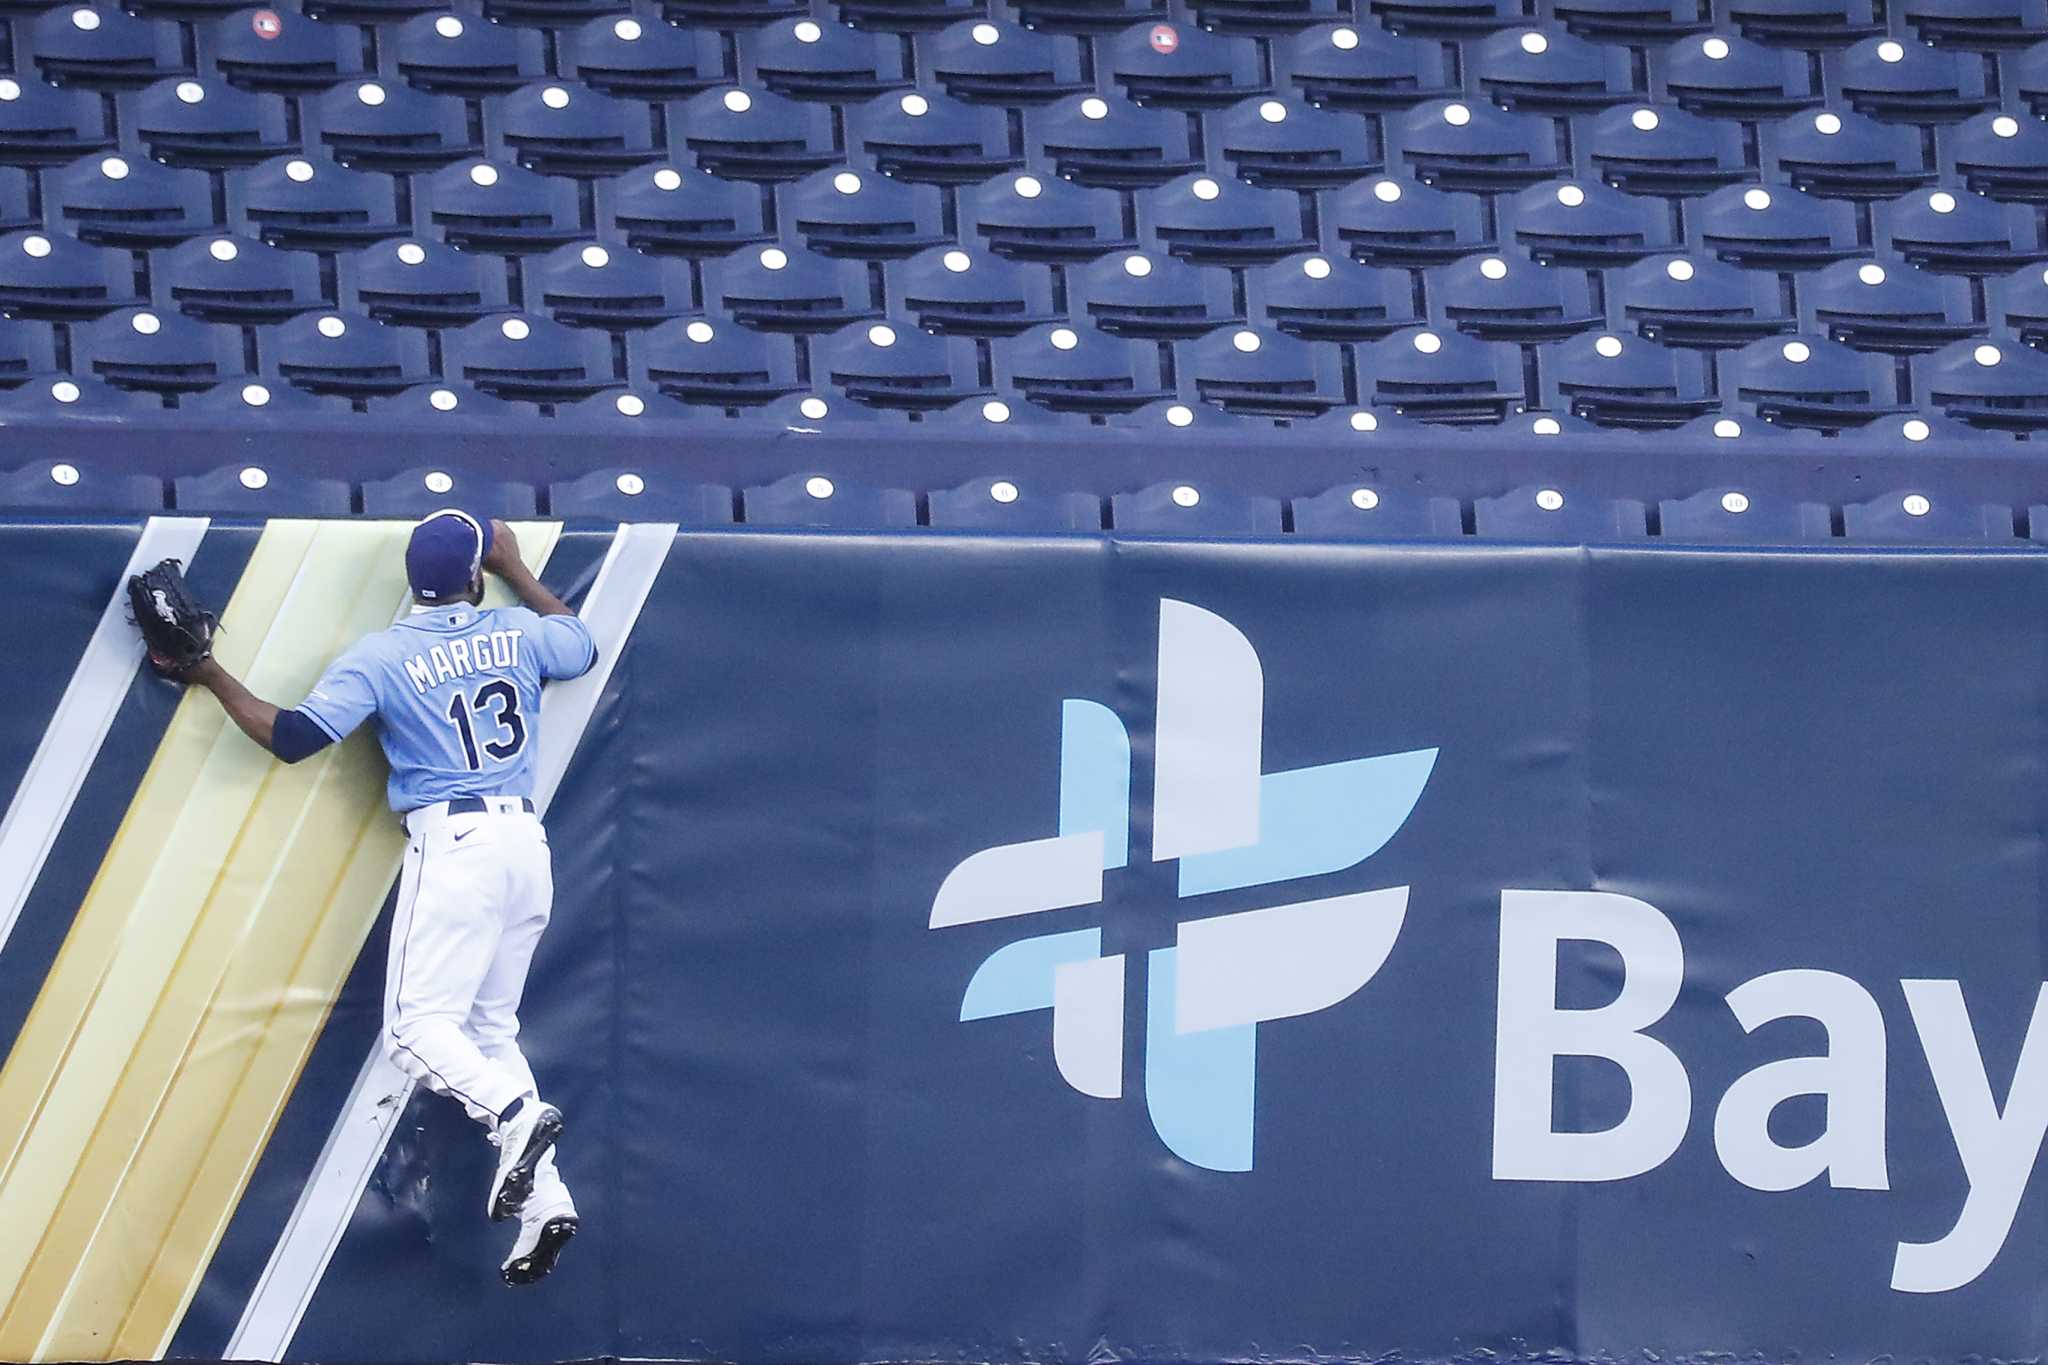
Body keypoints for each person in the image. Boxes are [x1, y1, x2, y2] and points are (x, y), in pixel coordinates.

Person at [183, 509, 594, 1287]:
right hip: (524, 847)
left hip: (457, 848)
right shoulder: (520, 628)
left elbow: (295, 735)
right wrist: (519, 573)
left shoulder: (384, 655)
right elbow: (582, 643)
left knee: (414, 1032)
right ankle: (547, 1199)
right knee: (487, 1029)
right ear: (476, 574)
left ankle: (514, 1115)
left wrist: (209, 673)